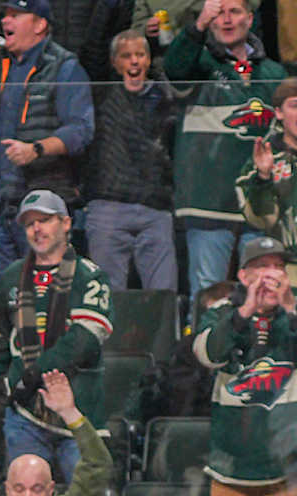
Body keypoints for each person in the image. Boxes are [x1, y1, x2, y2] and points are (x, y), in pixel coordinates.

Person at [0, 0, 95, 290]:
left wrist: (37, 149)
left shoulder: (65, 67)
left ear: (40, 24)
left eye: (16, 15)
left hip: (43, 206)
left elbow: (81, 130)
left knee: (44, 296)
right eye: (5, 15)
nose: (6, 21)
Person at [0, 189, 113, 485]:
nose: (37, 229)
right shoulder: (12, 276)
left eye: (45, 220)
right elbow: (0, 332)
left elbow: (85, 341)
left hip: (78, 410)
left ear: (66, 223)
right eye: (29, 224)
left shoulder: (89, 276)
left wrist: (33, 376)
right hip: (24, 415)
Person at [166, 0, 287, 296]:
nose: (227, 20)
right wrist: (197, 27)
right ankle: (204, 343)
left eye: (234, 12)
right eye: (219, 13)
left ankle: (257, 344)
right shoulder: (198, 63)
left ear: (250, 17)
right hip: (207, 202)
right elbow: (174, 68)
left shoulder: (273, 72)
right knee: (208, 294)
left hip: (257, 205)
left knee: (265, 293)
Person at [192, 234, 297, 496]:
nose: (272, 275)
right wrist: (246, 311)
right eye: (262, 267)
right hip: (233, 471)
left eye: (278, 267)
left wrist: (290, 308)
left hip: (290, 470)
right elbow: (208, 354)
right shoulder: (221, 311)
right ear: (243, 275)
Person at [84, 29, 178, 292]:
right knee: (106, 296)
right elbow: (91, 50)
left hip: (155, 207)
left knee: (163, 296)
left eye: (140, 55)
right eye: (126, 56)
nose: (134, 62)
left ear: (149, 61)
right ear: (115, 64)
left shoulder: (164, 97)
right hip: (108, 206)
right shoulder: (101, 94)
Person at [239, 77, 297, 252]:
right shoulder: (261, 163)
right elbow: (263, 221)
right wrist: (264, 178)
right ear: (279, 113)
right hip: (286, 265)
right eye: (295, 106)